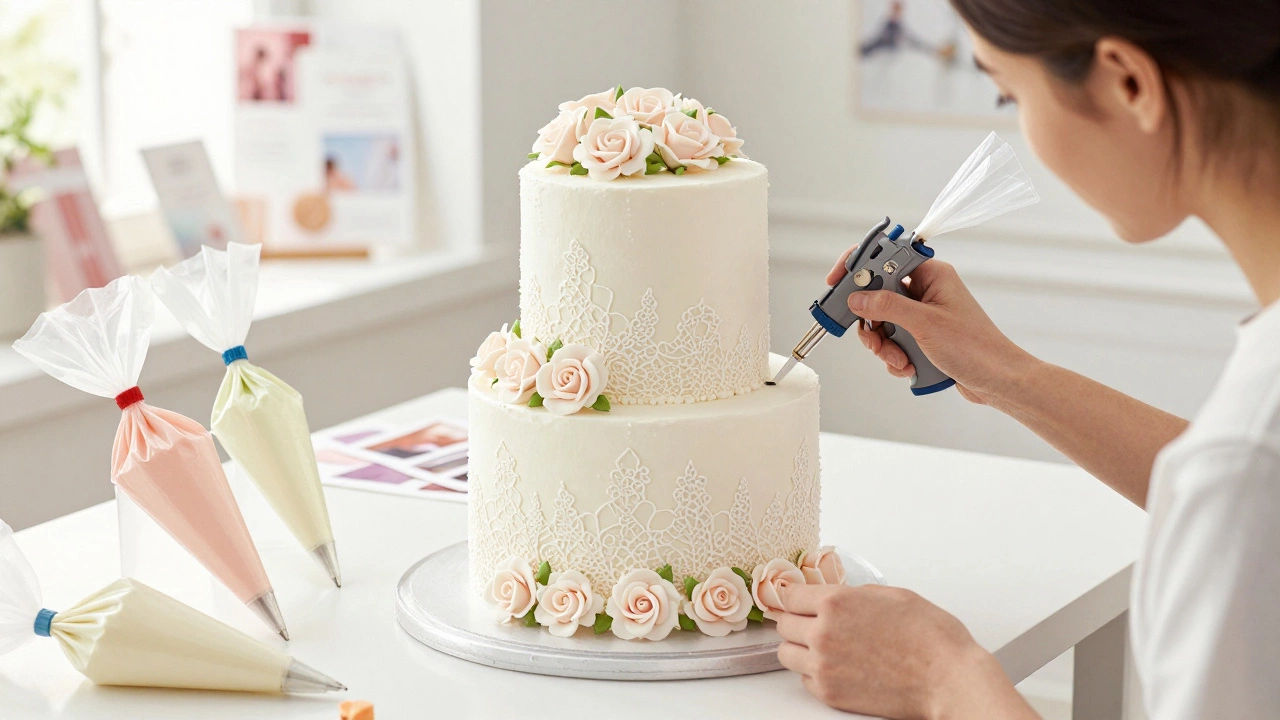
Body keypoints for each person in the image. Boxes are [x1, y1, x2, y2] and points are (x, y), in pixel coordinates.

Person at [775, 2, 1280, 718]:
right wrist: (1005, 376)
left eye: (1011, 92)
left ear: (1128, 82)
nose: (1023, 130)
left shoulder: (1244, 464)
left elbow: (1246, 485)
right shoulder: (1247, 464)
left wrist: (944, 681)